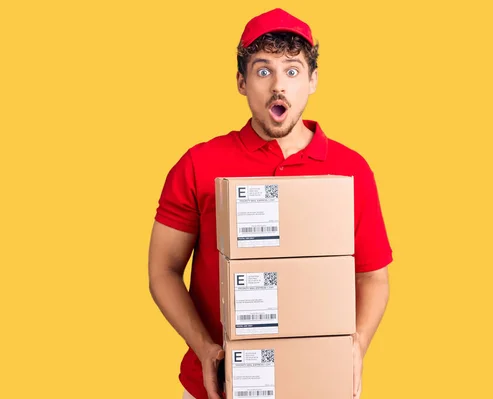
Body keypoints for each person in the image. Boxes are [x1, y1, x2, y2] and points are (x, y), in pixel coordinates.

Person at [148, 8, 393, 399]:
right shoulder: (198, 164)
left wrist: (355, 347)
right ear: (242, 83)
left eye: (292, 71)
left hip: (320, 384)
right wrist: (206, 350)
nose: (279, 85)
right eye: (263, 71)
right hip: (217, 388)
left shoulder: (351, 169)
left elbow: (373, 276)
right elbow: (163, 270)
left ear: (312, 81)